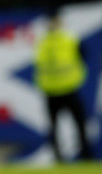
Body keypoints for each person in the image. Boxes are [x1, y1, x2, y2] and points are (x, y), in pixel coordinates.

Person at [33, 12, 93, 162]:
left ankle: (63, 156)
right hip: (65, 89)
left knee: (58, 126)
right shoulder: (69, 39)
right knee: (77, 124)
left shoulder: (43, 42)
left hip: (56, 90)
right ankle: (83, 156)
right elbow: (84, 55)